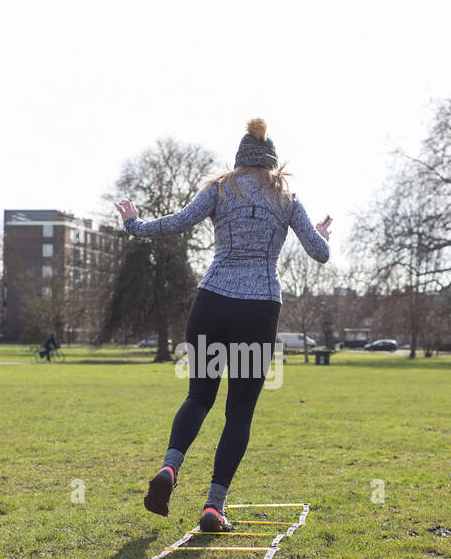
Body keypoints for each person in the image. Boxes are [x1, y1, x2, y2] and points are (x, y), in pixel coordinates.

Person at [117, 118, 332, 534]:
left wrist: (134, 224)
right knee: (239, 411)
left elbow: (177, 222)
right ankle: (213, 507)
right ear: (272, 162)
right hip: (258, 309)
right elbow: (319, 253)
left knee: (199, 395)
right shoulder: (286, 197)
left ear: (239, 159)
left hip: (211, 302)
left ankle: (169, 468)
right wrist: (321, 234)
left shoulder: (221, 188)